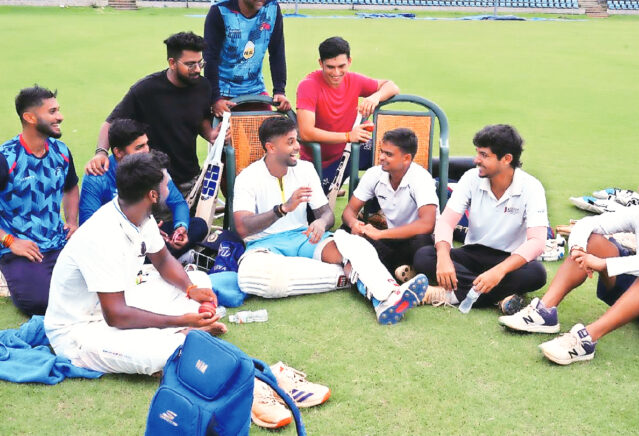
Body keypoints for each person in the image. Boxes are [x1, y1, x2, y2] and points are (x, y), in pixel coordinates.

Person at [47, 152, 328, 428]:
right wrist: (183, 320)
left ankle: (191, 336)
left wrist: (192, 289)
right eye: (166, 185)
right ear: (152, 195)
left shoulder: (137, 215)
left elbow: (163, 260)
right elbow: (116, 316)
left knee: (200, 280)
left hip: (118, 299)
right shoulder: (102, 235)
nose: (170, 189)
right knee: (164, 352)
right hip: (80, 331)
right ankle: (254, 388)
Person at [500, 153, 639, 365]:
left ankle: (586, 340)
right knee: (593, 241)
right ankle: (544, 313)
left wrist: (603, 264)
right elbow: (589, 224)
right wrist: (578, 249)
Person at [232, 116, 428, 325]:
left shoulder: (305, 169)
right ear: (271, 147)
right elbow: (243, 228)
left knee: (356, 244)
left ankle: (388, 299)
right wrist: (282, 209)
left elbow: (326, 214)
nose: (298, 147)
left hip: (303, 238)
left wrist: (321, 223)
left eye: (297, 140)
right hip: (264, 246)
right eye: (290, 142)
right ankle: (356, 278)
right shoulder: (248, 177)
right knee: (250, 277)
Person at [0, 85, 79, 315]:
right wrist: (9, 241)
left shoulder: (61, 151)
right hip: (18, 248)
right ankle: (6, 271)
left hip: (57, 241)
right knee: (41, 303)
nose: (60, 116)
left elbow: (71, 187)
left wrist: (72, 221)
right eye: (52, 112)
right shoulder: (2, 159)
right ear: (30, 117)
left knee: (90, 289)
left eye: (58, 110)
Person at [413, 124, 548, 310]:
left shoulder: (532, 187)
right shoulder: (471, 178)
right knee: (424, 256)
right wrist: (443, 257)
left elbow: (537, 242)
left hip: (508, 259)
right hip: (473, 252)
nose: (476, 160)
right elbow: (446, 222)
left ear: (507, 159)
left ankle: (448, 294)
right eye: (477, 153)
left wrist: (499, 271)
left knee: (537, 273)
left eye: (484, 155)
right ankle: (499, 298)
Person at [85, 31, 220, 197]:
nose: (198, 69)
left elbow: (199, 119)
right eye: (191, 65)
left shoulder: (203, 86)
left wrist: (210, 133)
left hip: (190, 180)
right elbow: (110, 123)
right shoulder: (146, 90)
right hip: (154, 182)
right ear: (172, 63)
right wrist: (101, 153)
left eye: (201, 63)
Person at [79, 119, 207, 258]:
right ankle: (166, 259)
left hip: (147, 232)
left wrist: (180, 228)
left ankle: (161, 258)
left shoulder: (150, 166)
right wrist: (138, 233)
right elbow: (89, 228)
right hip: (116, 242)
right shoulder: (97, 177)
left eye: (147, 144)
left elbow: (178, 203)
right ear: (118, 152)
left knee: (198, 225)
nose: (146, 151)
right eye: (139, 147)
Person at [295, 36, 399, 193]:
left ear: (349, 61)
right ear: (320, 63)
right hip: (320, 161)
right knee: (312, 211)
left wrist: (374, 97)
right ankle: (334, 186)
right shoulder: (308, 86)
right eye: (330, 67)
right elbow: (306, 133)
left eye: (341, 66)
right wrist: (348, 136)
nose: (336, 73)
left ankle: (374, 208)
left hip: (350, 151)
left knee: (393, 154)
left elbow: (391, 86)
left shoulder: (354, 80)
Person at [341, 128, 437, 279]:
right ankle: (401, 270)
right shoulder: (374, 174)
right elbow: (349, 211)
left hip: (414, 239)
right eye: (381, 151)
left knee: (422, 243)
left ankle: (385, 268)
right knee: (345, 230)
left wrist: (381, 234)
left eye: (388, 154)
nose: (381, 157)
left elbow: (427, 225)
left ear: (406, 158)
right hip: (390, 240)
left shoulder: (421, 178)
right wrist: (354, 224)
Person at [204, 0, 290, 116]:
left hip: (255, 89)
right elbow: (210, 58)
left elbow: (277, 51)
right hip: (223, 92)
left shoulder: (272, 9)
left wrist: (279, 90)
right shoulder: (220, 12)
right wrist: (215, 98)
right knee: (226, 139)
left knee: (267, 137)